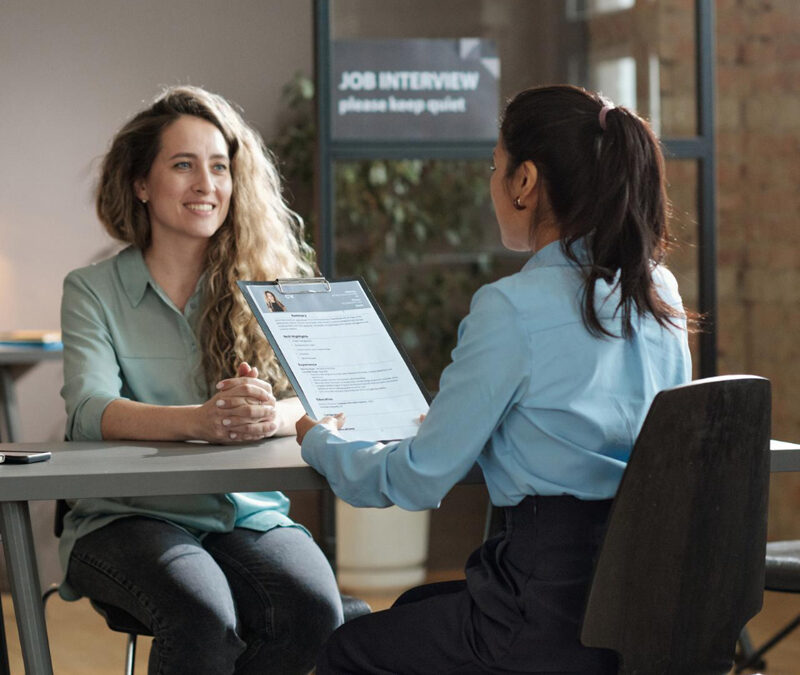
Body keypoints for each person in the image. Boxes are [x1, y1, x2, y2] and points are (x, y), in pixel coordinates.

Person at [296, 85, 693, 674]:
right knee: (415, 612)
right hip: (642, 607)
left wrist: (320, 442)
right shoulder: (659, 291)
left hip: (541, 613)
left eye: (494, 167)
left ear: (524, 181)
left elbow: (416, 480)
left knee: (349, 650)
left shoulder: (512, 306)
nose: (492, 183)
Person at [60, 86, 342, 675]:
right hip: (127, 517)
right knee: (203, 619)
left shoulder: (270, 285)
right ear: (141, 183)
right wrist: (202, 422)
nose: (205, 184)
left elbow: (322, 398)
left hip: (246, 512)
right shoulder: (91, 290)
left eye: (219, 167)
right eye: (183, 165)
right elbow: (89, 409)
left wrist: (268, 415)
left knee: (314, 612)